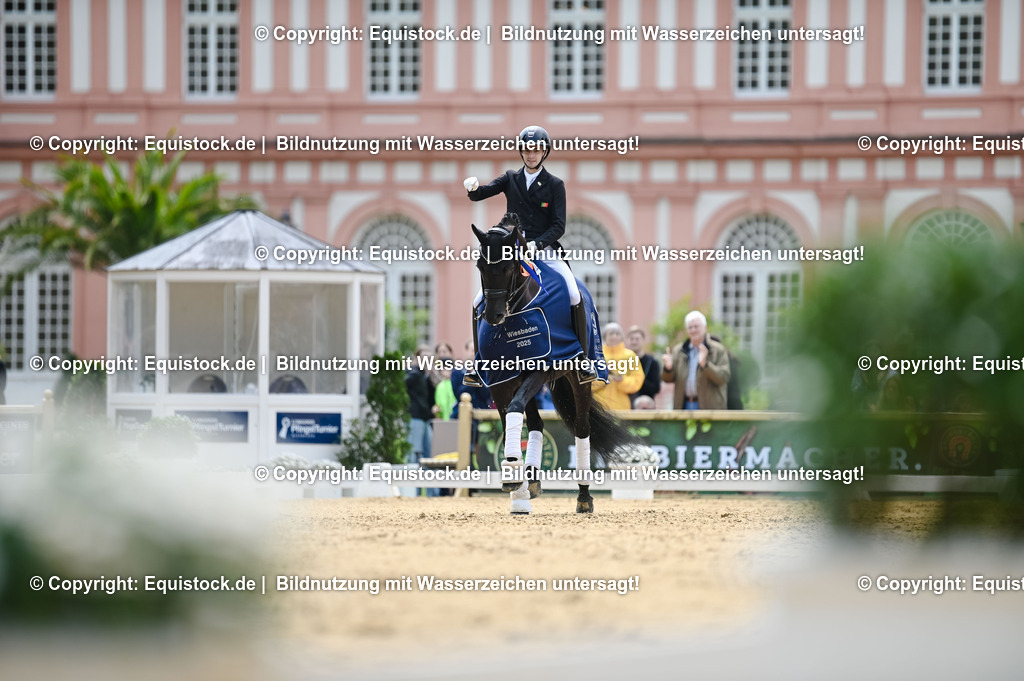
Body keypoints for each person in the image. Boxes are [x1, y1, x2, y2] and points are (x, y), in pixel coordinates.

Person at [462, 124, 597, 386]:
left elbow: (559, 225)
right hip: (513, 252)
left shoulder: (555, 185)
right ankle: (479, 364)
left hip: (544, 251)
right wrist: (473, 189)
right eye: (526, 150)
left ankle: (582, 359)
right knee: (479, 300)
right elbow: (482, 194)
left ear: (544, 152)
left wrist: (538, 243)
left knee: (573, 293)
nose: (531, 155)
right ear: (521, 152)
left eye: (536, 150)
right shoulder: (510, 178)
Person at [661, 311, 730, 410]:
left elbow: (723, 377)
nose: (693, 330)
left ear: (705, 327)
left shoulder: (717, 350)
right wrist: (668, 368)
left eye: (696, 326)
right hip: (684, 405)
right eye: (690, 327)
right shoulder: (679, 350)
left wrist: (705, 365)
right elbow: (668, 379)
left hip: (709, 408)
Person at [404, 345, 435, 496]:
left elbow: (430, 398)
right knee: (414, 454)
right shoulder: (413, 374)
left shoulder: (425, 376)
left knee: (428, 455)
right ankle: (413, 492)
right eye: (424, 358)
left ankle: (430, 493)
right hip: (416, 418)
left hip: (425, 419)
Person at [592, 323, 644, 411]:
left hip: (622, 406)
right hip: (598, 406)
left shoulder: (630, 356)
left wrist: (621, 380)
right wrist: (603, 379)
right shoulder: (595, 355)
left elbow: (637, 381)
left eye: (617, 334)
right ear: (605, 336)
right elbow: (587, 382)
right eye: (611, 334)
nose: (614, 337)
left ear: (622, 337)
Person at [625, 325, 661, 408]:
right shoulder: (621, 362)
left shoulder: (652, 362)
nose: (634, 342)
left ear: (643, 340)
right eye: (631, 339)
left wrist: (637, 380)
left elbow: (656, 388)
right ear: (627, 341)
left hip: (646, 407)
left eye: (637, 339)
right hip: (626, 405)